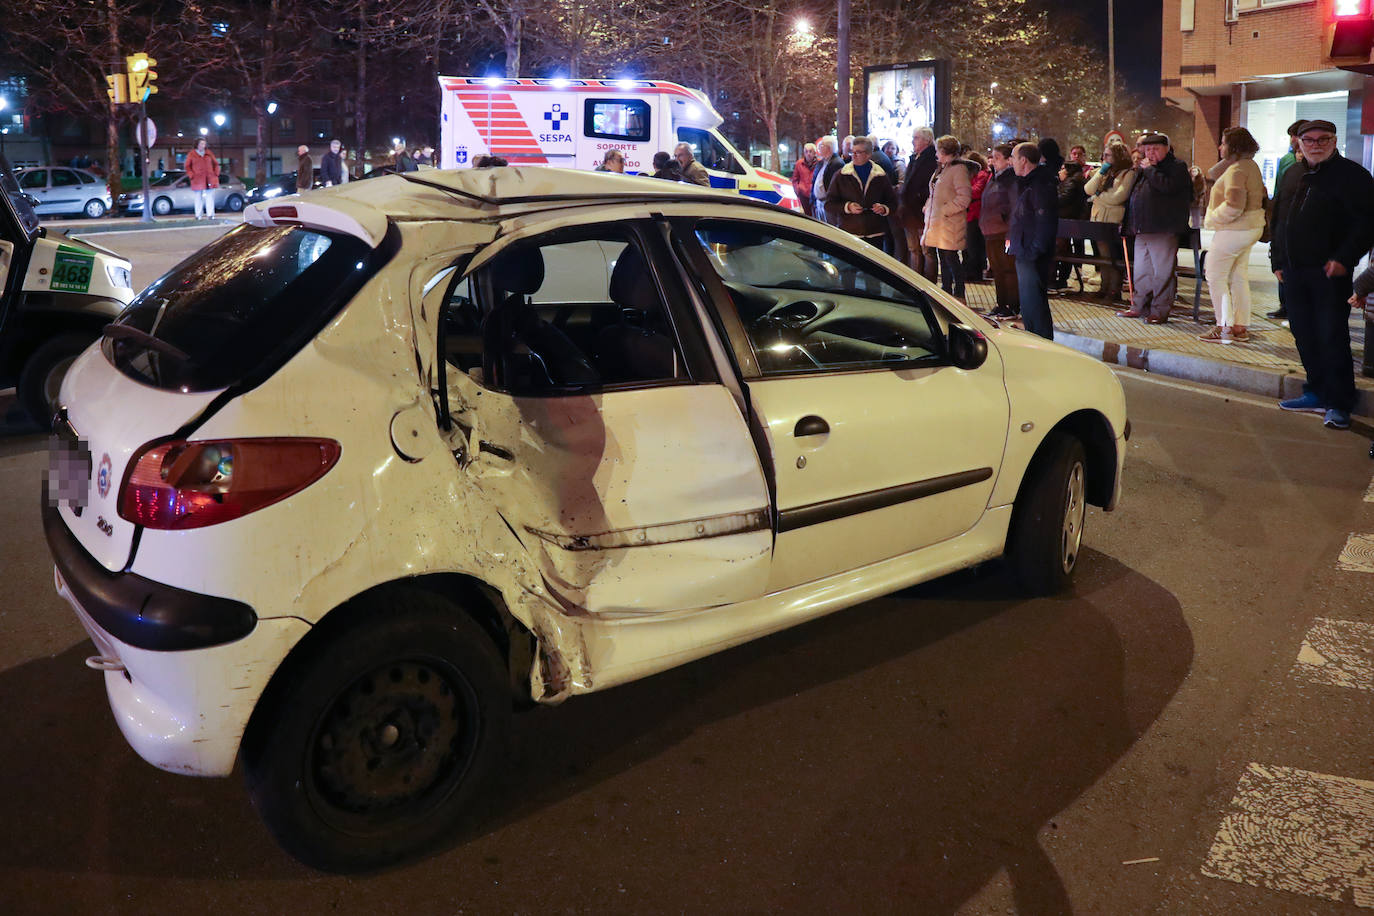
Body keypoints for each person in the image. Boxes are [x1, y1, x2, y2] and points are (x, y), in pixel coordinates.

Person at [1271, 119, 1374, 429]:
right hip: (1292, 271)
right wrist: (1277, 259)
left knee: (1332, 336)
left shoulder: (1353, 176)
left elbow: (1367, 223)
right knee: (1304, 334)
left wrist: (1344, 259)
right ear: (1299, 143)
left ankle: (1339, 403)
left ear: (1334, 141)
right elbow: (1279, 219)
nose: (1315, 144)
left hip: (1329, 273)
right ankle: (1316, 391)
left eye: (1322, 139)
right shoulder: (1292, 173)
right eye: (1309, 139)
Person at [1199, 127, 1266, 345]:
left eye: (1224, 143)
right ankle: (1239, 326)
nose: (1220, 147)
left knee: (1215, 276)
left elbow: (1234, 206)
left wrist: (1211, 219)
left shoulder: (1237, 170)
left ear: (1234, 146)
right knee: (1238, 276)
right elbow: (1214, 173)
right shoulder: (1250, 166)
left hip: (1234, 230)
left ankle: (1224, 326)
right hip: (1250, 227)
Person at [1117, 133, 1191, 323]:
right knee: (1141, 271)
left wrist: (1149, 170)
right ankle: (1138, 306)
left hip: (1163, 228)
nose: (1150, 153)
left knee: (1162, 273)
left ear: (1167, 148)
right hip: (1142, 228)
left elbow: (1167, 187)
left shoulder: (1176, 167)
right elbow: (1134, 196)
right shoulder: (1144, 169)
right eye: (1147, 149)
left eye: (1155, 149)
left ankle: (1159, 310)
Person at [1008, 141, 1058, 339]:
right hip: (1025, 248)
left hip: (1032, 252)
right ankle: (1033, 336)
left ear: (1023, 160)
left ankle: (1041, 340)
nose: (1011, 161)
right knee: (1028, 301)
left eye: (1013, 157)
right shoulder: (1028, 183)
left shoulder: (1040, 184)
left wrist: (1034, 250)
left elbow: (1044, 220)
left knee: (1034, 301)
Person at [1083, 142, 1137, 302]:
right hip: (1099, 218)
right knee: (1103, 256)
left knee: (1113, 256)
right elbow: (1088, 190)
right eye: (1104, 155)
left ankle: (1114, 289)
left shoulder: (1128, 174)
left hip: (1113, 220)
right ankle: (1104, 286)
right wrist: (1101, 172)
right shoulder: (1105, 173)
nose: (1104, 158)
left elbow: (1118, 197)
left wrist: (1098, 197)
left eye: (1108, 155)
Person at [921, 135, 972, 299]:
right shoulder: (943, 168)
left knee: (951, 258)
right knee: (943, 257)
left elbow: (964, 198)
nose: (935, 153)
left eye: (937, 150)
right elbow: (935, 192)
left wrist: (944, 210)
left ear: (944, 151)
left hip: (949, 223)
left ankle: (959, 291)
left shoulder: (958, 170)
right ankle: (946, 289)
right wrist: (929, 206)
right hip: (939, 223)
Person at [1266, 120, 1307, 320]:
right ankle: (1285, 304)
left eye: (1296, 135)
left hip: (1300, 223)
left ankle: (1293, 305)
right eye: (1291, 135)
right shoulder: (1286, 160)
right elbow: (1279, 187)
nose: (1293, 139)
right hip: (1282, 215)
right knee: (1281, 262)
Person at [825, 136, 895, 248]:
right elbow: (829, 204)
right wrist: (848, 207)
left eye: (858, 152)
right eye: (852, 152)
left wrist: (883, 208)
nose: (854, 155)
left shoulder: (880, 175)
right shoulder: (841, 175)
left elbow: (892, 202)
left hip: (875, 233)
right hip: (850, 232)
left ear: (868, 154)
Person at [980, 143, 1020, 317]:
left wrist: (1010, 233)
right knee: (997, 269)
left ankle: (1013, 305)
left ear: (1009, 160)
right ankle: (1001, 303)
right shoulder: (994, 178)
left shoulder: (1010, 180)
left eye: (997, 158)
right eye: (992, 157)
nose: (993, 161)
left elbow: (1014, 207)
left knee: (1008, 269)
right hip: (991, 230)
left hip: (1003, 231)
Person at [899, 126, 938, 278]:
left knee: (926, 250)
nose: (912, 141)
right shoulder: (914, 158)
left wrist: (918, 198)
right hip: (909, 212)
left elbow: (929, 185)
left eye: (916, 138)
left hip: (921, 211)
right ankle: (915, 281)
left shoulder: (931, 159)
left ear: (927, 140)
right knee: (913, 249)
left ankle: (929, 283)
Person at [1054, 159, 1089, 289]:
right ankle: (1060, 279)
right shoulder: (1072, 182)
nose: (1060, 172)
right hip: (1067, 222)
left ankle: (1059, 279)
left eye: (1063, 169)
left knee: (1061, 250)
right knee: (1064, 250)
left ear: (1068, 171)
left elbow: (1061, 200)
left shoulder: (1071, 183)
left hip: (1066, 223)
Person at [962, 151, 989, 282]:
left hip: (975, 213)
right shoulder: (977, 175)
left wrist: (962, 189)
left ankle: (973, 272)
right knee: (971, 244)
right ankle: (970, 271)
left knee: (973, 244)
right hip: (971, 212)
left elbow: (977, 191)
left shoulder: (982, 175)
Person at [812, 136, 844, 226]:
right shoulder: (822, 162)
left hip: (828, 204)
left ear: (828, 147)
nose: (819, 148)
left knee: (830, 231)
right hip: (819, 203)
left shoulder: (836, 163)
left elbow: (836, 187)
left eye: (821, 145)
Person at [185, 138, 219, 219]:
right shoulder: (191, 154)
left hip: (209, 178)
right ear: (197, 144)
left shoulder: (209, 153)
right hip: (197, 179)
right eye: (201, 144)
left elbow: (216, 164)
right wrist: (191, 175)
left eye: (204, 144)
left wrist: (216, 173)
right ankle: (198, 215)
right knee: (198, 197)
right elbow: (187, 166)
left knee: (209, 196)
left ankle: (210, 215)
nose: (203, 146)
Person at [791, 142, 818, 217]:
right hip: (803, 195)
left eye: (810, 151)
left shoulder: (819, 163)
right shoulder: (799, 164)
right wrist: (798, 190)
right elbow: (795, 179)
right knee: (806, 217)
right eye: (806, 151)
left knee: (816, 217)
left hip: (815, 195)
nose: (808, 154)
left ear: (815, 153)